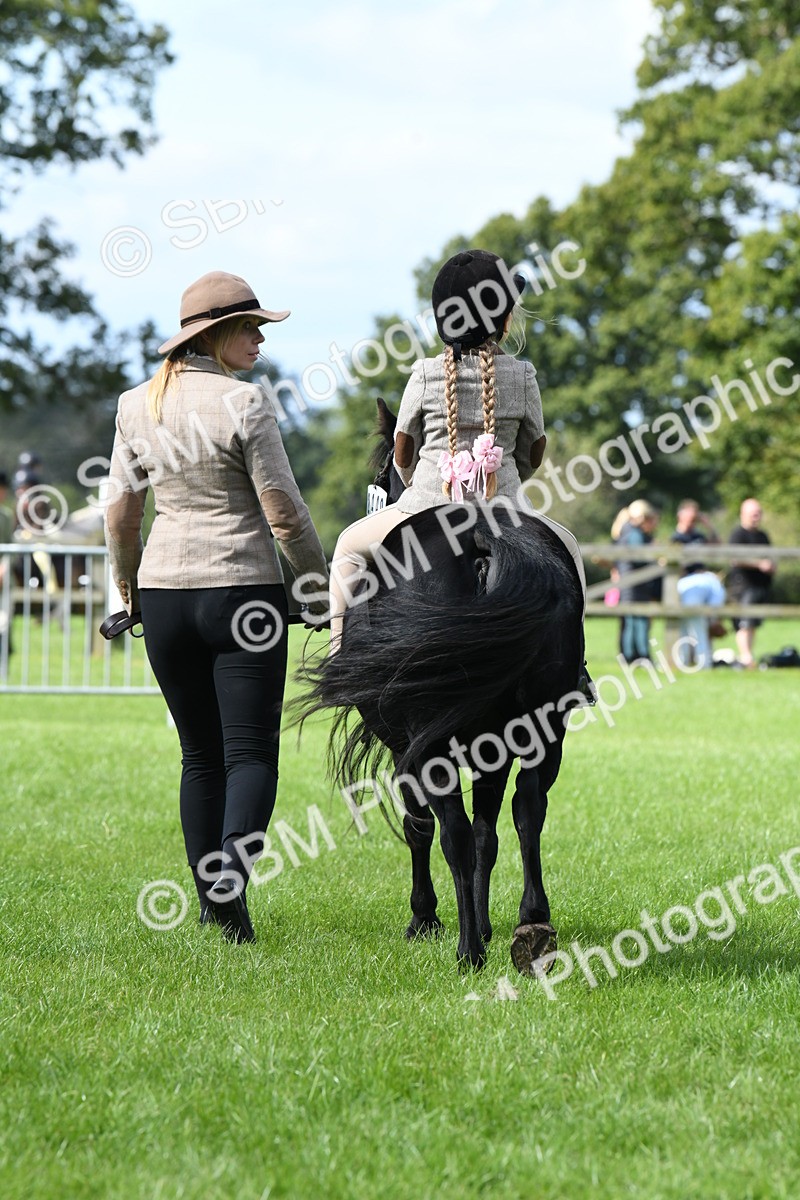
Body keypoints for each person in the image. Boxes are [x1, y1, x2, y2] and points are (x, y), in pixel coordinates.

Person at [104, 271, 329, 943]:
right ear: (217, 334)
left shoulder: (136, 404)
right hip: (242, 593)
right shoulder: (247, 404)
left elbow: (120, 514)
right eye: (253, 327)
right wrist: (316, 587)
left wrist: (129, 592)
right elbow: (284, 515)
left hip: (167, 597)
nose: (261, 338)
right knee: (251, 753)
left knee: (199, 755)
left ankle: (215, 907)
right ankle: (231, 876)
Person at [328, 248, 592, 696]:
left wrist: (414, 480)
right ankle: (574, 668)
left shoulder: (425, 372)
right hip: (505, 510)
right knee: (568, 553)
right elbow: (534, 452)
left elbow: (403, 449)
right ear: (504, 318)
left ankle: (340, 658)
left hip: (422, 507)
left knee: (348, 549)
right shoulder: (522, 375)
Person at [727, 498, 775, 668]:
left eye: (758, 514)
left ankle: (748, 655)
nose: (756, 517)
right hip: (743, 586)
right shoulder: (737, 534)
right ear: (743, 514)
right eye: (753, 514)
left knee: (753, 623)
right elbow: (735, 558)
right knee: (744, 623)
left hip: (759, 586)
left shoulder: (762, 535)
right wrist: (759, 564)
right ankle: (745, 657)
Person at [612, 500, 660, 664]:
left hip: (631, 583)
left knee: (632, 621)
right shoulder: (635, 534)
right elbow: (639, 558)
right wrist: (655, 558)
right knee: (638, 622)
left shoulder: (626, 531)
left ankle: (631, 656)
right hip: (635, 584)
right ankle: (640, 656)